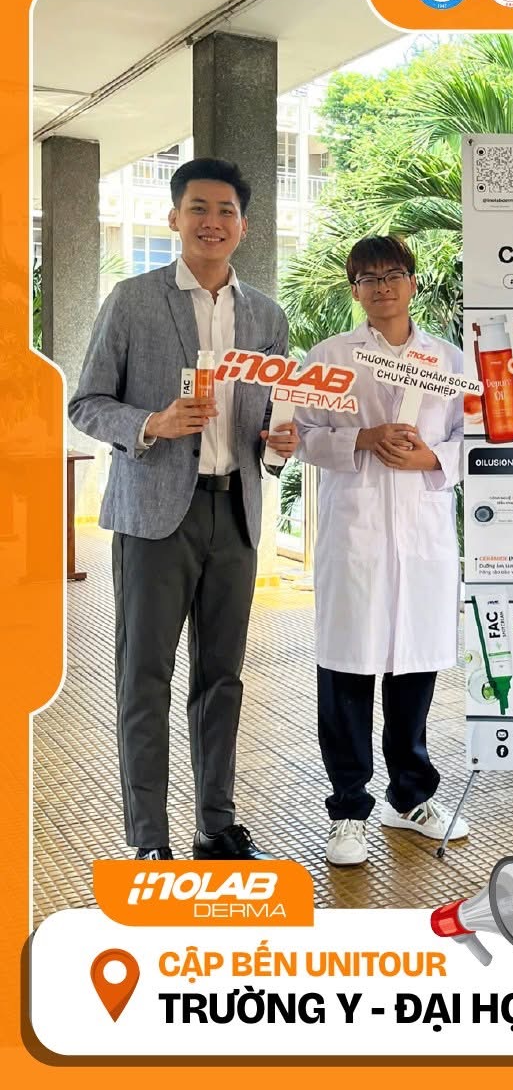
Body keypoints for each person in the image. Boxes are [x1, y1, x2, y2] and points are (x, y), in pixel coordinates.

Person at [69, 157, 299, 861]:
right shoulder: (133, 300)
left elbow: (275, 420)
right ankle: (149, 841)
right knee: (145, 676)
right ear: (174, 218)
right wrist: (152, 423)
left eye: (226, 211)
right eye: (198, 208)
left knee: (222, 678)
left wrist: (281, 444)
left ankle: (215, 825)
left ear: (244, 226)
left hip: (236, 515)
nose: (212, 222)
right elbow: (87, 403)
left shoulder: (266, 316)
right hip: (154, 519)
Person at [294, 235, 468, 867]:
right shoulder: (330, 358)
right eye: (368, 279)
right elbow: (301, 435)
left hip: (422, 540)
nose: (383, 287)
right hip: (357, 538)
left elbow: (477, 439)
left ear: (413, 282)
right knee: (347, 670)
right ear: (355, 291)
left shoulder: (448, 359)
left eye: (393, 274)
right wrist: (361, 438)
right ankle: (347, 810)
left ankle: (411, 797)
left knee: (413, 669)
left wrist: (432, 458)